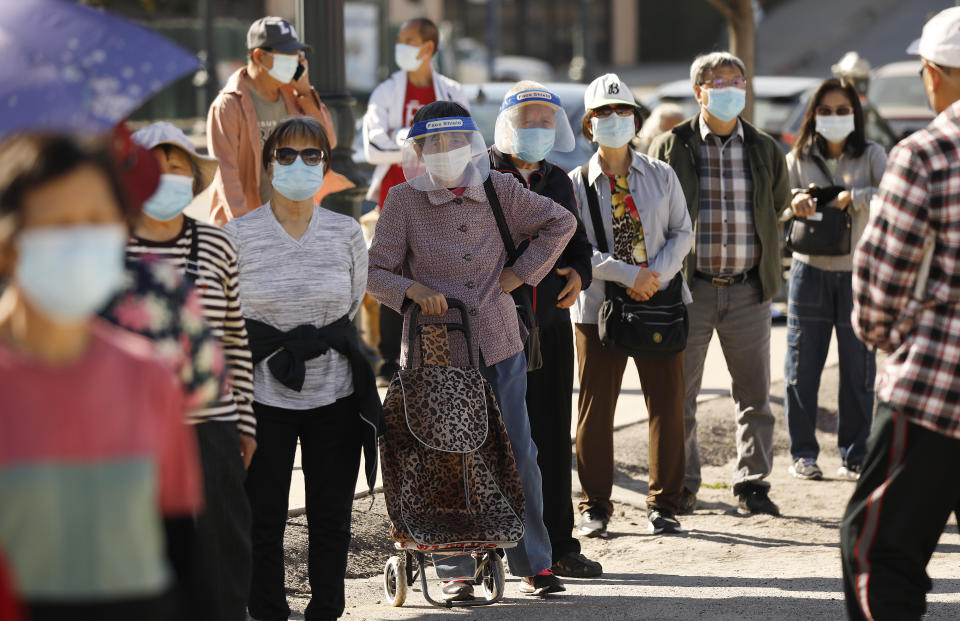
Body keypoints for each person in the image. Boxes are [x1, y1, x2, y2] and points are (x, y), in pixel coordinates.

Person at [367, 100, 576, 600]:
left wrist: (520, 274)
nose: (444, 152)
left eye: (453, 142)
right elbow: (374, 272)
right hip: (436, 351)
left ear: (471, 146)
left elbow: (561, 223)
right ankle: (454, 567)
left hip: (500, 342)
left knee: (519, 451)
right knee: (445, 456)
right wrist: (412, 291)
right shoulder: (402, 201)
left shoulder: (500, 189)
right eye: (432, 144)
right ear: (419, 150)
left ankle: (535, 562)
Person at [0, 134, 203, 620]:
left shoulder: (149, 377)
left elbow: (182, 549)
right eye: (58, 225)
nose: (80, 241)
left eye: (97, 223)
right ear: (9, 243)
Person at [223, 117, 379, 621]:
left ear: (326, 168)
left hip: (334, 394)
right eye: (286, 155)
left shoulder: (346, 231)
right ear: (269, 166)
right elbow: (225, 315)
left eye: (312, 156)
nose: (299, 164)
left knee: (331, 517)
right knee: (261, 518)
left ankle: (326, 610)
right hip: (259, 397)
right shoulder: (238, 235)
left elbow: (352, 306)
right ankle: (268, 611)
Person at [841, 8, 960, 618]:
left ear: (936, 73)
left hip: (938, 385)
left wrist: (888, 339)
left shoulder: (931, 152)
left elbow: (880, 282)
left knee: (877, 550)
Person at [649, 52, 790, 516]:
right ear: (699, 92)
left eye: (737, 80)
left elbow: (776, 208)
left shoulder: (766, 148)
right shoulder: (672, 146)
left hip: (750, 290)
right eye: (718, 81)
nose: (730, 88)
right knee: (680, 395)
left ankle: (752, 483)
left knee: (754, 396)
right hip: (691, 289)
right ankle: (685, 484)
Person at [129, 122, 255, 621]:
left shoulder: (217, 245)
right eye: (155, 169)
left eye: (177, 168)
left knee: (223, 545)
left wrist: (244, 420)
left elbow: (233, 338)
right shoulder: (110, 246)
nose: (167, 177)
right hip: (133, 426)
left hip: (211, 421)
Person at [570, 73, 693, 538]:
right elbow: (576, 246)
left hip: (661, 302)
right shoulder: (576, 183)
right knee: (596, 408)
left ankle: (665, 504)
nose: (615, 119)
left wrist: (654, 276)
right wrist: (629, 276)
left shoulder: (661, 174)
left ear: (636, 119)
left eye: (623, 111)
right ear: (589, 124)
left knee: (666, 402)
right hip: (598, 308)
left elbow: (683, 231)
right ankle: (595, 505)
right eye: (603, 112)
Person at [488, 81, 600, 577]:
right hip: (496, 329)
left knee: (552, 437)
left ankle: (559, 544)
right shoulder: (481, 175)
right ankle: (492, 544)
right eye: (527, 117)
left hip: (550, 326)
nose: (538, 127)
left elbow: (576, 242)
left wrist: (581, 273)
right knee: (498, 439)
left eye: (546, 119)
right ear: (506, 122)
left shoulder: (559, 180)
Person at [781, 79, 886, 483]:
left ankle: (855, 455)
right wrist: (796, 201)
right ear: (814, 114)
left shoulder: (873, 154)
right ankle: (804, 454)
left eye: (843, 110)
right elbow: (780, 206)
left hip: (859, 272)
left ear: (856, 115)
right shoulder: (799, 156)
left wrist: (853, 196)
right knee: (801, 366)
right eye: (826, 110)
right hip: (809, 271)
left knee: (859, 369)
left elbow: (893, 197)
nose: (835, 117)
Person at [362, 17, 470, 386]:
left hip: (441, 198)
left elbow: (464, 144)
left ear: (428, 48)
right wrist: (425, 145)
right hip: (392, 199)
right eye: (400, 39)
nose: (401, 46)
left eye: (409, 40)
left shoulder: (452, 91)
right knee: (390, 274)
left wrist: (402, 139)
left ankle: (443, 345)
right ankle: (390, 357)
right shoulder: (386, 91)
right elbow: (373, 146)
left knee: (432, 273)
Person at [207, 16, 349, 225]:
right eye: (287, 54)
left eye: (297, 54)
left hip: (289, 224)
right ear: (259, 56)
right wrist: (247, 230)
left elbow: (328, 141)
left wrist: (305, 92)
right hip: (244, 227)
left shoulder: (293, 95)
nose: (295, 60)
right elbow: (226, 174)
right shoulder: (228, 105)